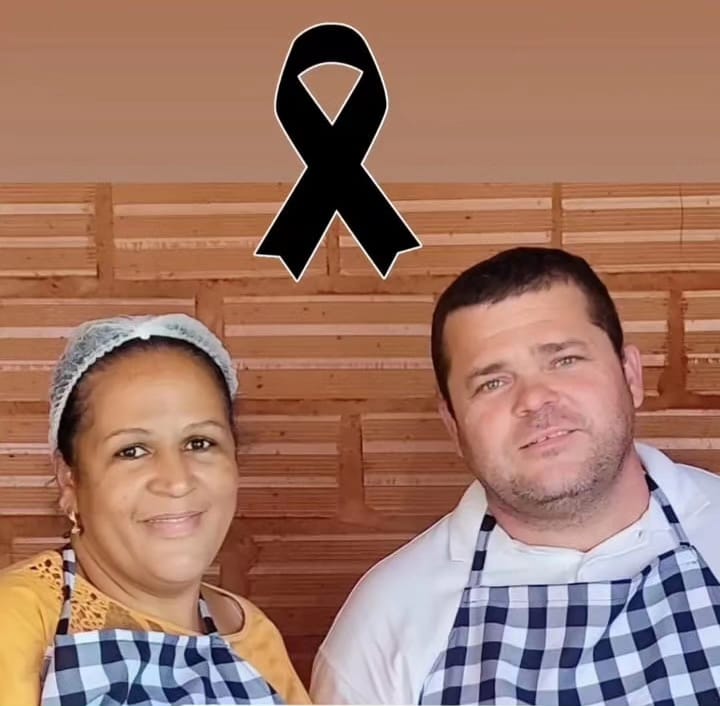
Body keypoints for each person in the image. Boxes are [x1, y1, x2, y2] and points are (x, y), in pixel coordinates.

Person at [310, 247, 720, 706]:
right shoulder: (382, 626)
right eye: (492, 382)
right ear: (453, 425)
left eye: (564, 360)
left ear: (631, 376)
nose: (535, 399)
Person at [0, 313, 310, 705]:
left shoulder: (252, 636)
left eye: (199, 443)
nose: (177, 481)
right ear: (70, 481)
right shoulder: (15, 620)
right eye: (132, 451)